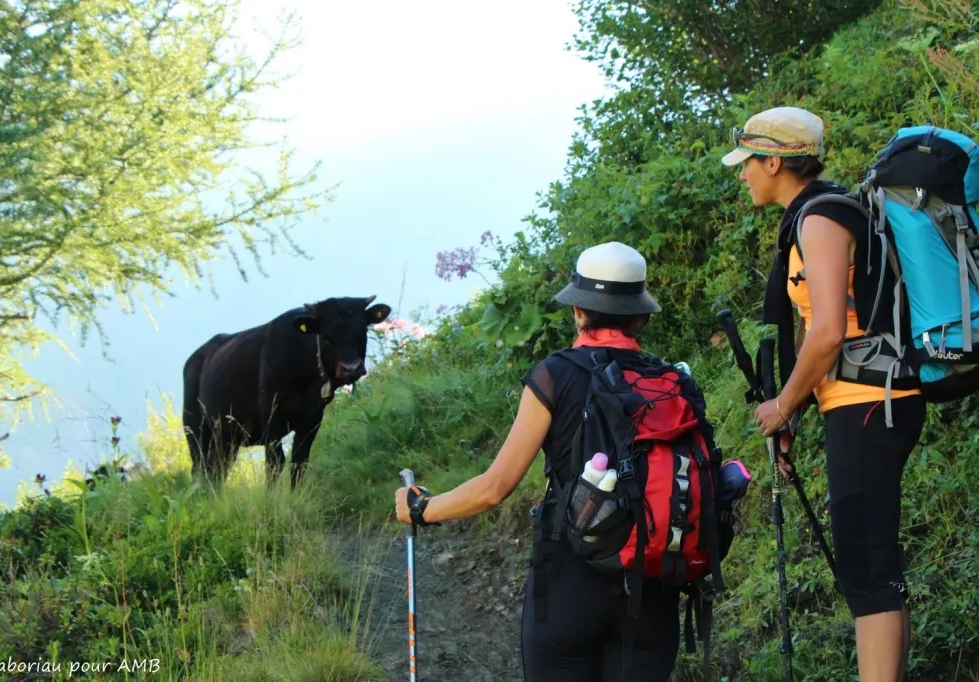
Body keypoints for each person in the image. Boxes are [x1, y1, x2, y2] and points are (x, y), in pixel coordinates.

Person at [394, 241, 684, 681]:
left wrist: (423, 508)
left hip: (570, 587)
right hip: (652, 587)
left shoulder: (556, 375)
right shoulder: (671, 382)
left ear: (578, 312)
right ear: (641, 316)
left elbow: (496, 487)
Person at [721, 106, 926, 682]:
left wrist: (782, 405)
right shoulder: (815, 216)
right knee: (874, 568)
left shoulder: (820, 218)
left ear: (776, 161)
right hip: (864, 403)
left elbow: (831, 331)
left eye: (748, 164)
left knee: (867, 571)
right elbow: (821, 332)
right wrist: (796, 412)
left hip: (870, 405)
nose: (743, 175)